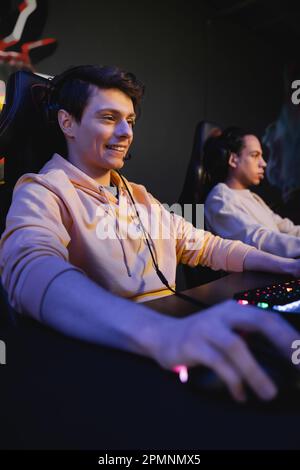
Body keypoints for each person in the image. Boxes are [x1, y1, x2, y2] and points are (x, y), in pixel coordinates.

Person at [0, 66, 299, 404]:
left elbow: (204, 244)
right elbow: (30, 268)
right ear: (67, 123)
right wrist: (163, 335)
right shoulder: (42, 190)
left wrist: (285, 266)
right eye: (110, 118)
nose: (126, 132)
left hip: (170, 337)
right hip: (111, 358)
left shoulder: (138, 195)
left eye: (130, 120)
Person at [203, 127, 300, 258]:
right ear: (233, 160)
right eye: (255, 155)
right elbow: (256, 240)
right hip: (255, 278)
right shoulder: (219, 199)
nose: (263, 163)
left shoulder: (252, 197)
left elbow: (286, 228)